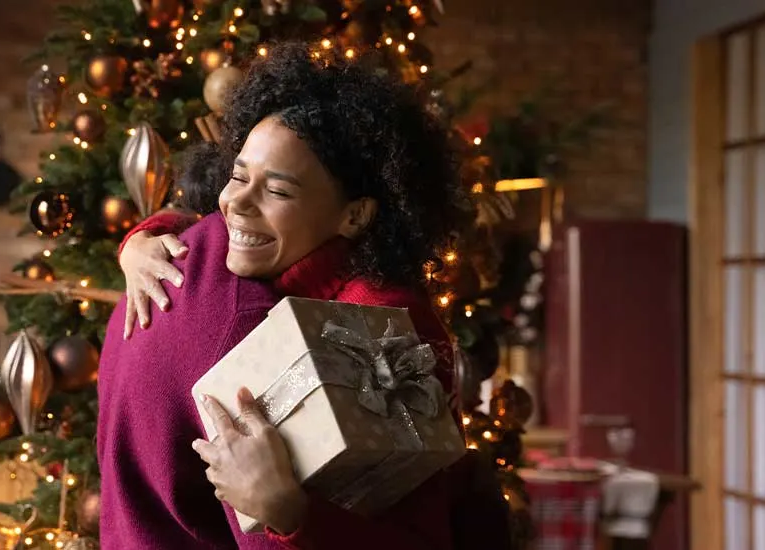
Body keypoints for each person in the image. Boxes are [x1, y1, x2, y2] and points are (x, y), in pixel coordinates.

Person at [100, 42, 511, 549]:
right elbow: (200, 222)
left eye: (278, 191)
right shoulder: (255, 271)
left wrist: (291, 513)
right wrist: (138, 242)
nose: (236, 205)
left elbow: (418, 533)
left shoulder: (388, 330)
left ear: (355, 215)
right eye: (237, 176)